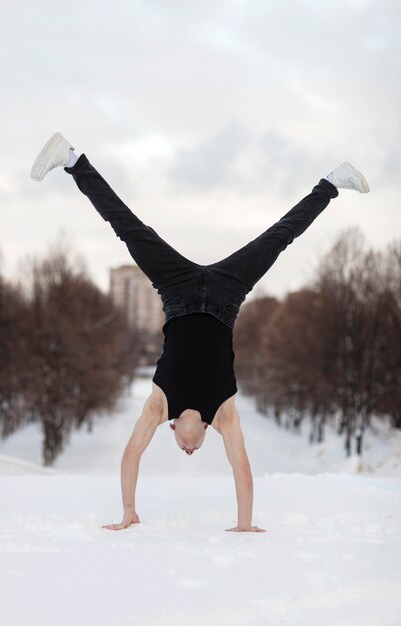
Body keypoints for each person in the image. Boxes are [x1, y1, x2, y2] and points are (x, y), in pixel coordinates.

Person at [30, 132, 370, 533]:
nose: (189, 451)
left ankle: (71, 158)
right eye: (195, 449)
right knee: (278, 238)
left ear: (173, 429)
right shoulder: (223, 414)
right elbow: (240, 467)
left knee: (128, 228)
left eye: (182, 448)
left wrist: (128, 511)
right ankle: (332, 182)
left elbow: (131, 455)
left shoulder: (159, 406)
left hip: (177, 291)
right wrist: (245, 524)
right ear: (206, 431)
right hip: (227, 296)